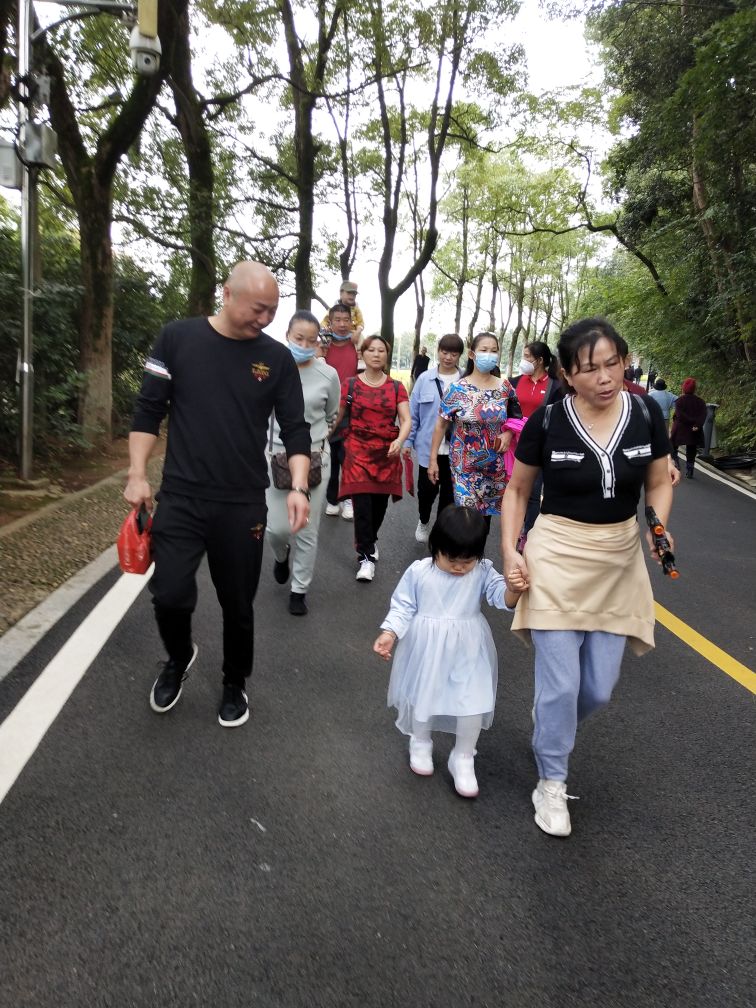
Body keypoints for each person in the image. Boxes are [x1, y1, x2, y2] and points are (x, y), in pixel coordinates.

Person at [501, 316, 673, 837]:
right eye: (590, 369)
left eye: (612, 363)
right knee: (562, 684)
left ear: (624, 361)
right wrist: (510, 550)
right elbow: (518, 491)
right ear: (567, 375)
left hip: (618, 558)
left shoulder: (645, 414)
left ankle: (550, 725)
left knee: (596, 689)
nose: (604, 377)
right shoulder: (547, 422)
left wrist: (659, 525)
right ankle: (551, 781)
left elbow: (659, 480)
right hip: (556, 553)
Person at [124, 261, 311, 729]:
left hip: (242, 501)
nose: (265, 319)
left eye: (272, 311)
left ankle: (234, 681)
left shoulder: (276, 359)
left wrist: (299, 487)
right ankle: (178, 656)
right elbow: (148, 410)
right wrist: (137, 474)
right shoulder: (177, 339)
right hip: (182, 495)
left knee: (237, 603)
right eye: (258, 309)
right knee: (170, 593)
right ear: (227, 294)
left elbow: (295, 428)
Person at [374, 507, 521, 798]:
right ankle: (420, 741)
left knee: (473, 701)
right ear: (435, 547)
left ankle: (464, 756)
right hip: (427, 648)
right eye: (451, 560)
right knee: (425, 693)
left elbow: (500, 597)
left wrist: (513, 590)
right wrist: (390, 632)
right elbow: (403, 605)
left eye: (467, 561)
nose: (459, 568)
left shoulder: (482, 571)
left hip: (469, 647)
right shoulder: (419, 572)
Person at [266, 311, 340, 616]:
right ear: (287, 335)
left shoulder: (328, 375)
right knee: (277, 529)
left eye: (311, 340)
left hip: (315, 459)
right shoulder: (270, 369)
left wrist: (319, 441)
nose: (305, 346)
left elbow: (332, 414)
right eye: (299, 339)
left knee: (307, 530)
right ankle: (281, 555)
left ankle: (299, 589)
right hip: (274, 457)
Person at [332, 334, 411, 582]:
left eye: (381, 350)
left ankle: (371, 539)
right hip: (357, 451)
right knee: (362, 506)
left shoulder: (396, 387)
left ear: (387, 356)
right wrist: (320, 438)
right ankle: (365, 557)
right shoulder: (350, 384)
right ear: (362, 354)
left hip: (386, 454)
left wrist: (399, 441)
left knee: (378, 507)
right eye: (371, 350)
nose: (376, 354)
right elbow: (336, 416)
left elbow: (406, 419)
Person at [427, 331, 522, 538]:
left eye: (494, 351)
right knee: (467, 516)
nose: (489, 355)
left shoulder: (505, 387)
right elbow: (441, 425)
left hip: (495, 465)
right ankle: (460, 553)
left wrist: (508, 434)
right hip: (464, 465)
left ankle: (477, 555)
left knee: (484, 518)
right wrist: (433, 460)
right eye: (484, 350)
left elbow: (516, 418)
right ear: (472, 354)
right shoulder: (457, 389)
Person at [403, 333, 464, 544]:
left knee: (449, 497)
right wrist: (408, 442)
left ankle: (440, 532)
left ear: (460, 356)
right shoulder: (424, 379)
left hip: (456, 451)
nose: (448, 357)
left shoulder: (466, 381)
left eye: (453, 354)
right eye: (444, 352)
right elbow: (413, 415)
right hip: (428, 449)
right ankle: (424, 520)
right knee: (426, 493)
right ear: (438, 351)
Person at [511, 340, 562, 543]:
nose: (523, 360)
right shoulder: (515, 382)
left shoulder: (555, 386)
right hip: (513, 445)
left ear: (539, 360)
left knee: (533, 493)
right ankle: (514, 530)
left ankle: (527, 534)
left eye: (527, 356)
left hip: (539, 446)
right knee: (514, 490)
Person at [323, 303, 359, 521]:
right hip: (326, 409)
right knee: (329, 457)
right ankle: (331, 500)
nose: (342, 324)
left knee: (349, 457)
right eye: (337, 320)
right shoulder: (323, 346)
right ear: (330, 322)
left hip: (352, 410)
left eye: (346, 320)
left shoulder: (358, 345)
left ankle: (348, 499)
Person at [671, 378, 707, 478]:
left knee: (672, 446)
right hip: (694, 430)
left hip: (680, 428)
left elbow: (679, 415)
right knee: (692, 449)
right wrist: (697, 425)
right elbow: (703, 415)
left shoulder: (679, 401)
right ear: (694, 389)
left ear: (683, 388)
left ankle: (676, 463)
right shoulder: (700, 402)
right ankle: (690, 469)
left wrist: (689, 421)